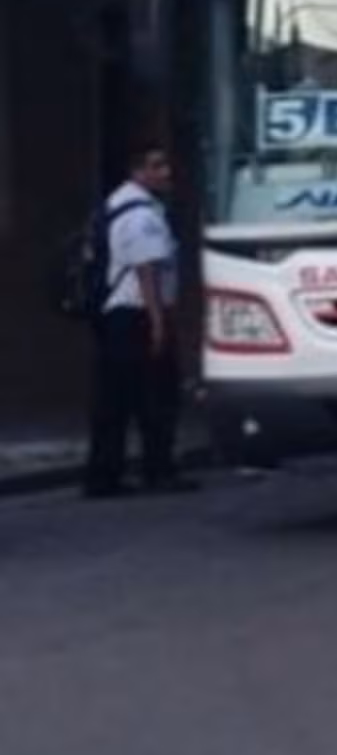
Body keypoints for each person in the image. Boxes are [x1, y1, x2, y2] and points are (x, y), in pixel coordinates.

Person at [84, 141, 195, 497]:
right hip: (136, 315)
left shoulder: (117, 205)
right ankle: (158, 470)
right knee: (156, 397)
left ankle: (104, 475)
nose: (166, 173)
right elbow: (145, 269)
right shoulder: (141, 215)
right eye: (157, 166)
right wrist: (159, 321)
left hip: (119, 315)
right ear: (138, 172)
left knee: (115, 399)